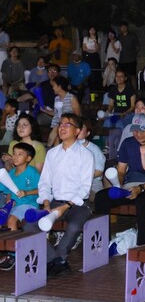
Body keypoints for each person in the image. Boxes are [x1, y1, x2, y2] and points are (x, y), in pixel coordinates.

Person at [94, 113, 145, 245]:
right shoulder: (127, 143)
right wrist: (118, 184)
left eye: (142, 130)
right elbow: (121, 170)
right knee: (101, 197)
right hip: (130, 185)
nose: (138, 133)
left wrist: (141, 188)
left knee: (142, 201)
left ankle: (141, 244)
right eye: (135, 130)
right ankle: (103, 240)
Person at [36, 114, 94, 276]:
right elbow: (45, 182)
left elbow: (85, 188)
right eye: (60, 124)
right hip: (54, 201)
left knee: (74, 226)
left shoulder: (86, 155)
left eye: (67, 125)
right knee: (30, 225)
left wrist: (65, 206)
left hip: (77, 204)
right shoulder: (52, 153)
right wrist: (46, 202)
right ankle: (57, 260)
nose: (61, 128)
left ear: (77, 131)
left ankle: (58, 258)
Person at [0, 142, 40, 271]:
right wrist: (9, 202)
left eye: (20, 154)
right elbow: (8, 193)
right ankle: (4, 249)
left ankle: (13, 253)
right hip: (16, 206)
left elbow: (41, 188)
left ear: (28, 158)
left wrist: (27, 192)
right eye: (14, 154)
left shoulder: (32, 172)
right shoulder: (10, 173)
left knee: (11, 220)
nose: (15, 157)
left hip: (29, 205)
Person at [45, 76, 81, 147]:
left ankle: (48, 147)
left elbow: (77, 114)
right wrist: (44, 110)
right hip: (56, 123)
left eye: (54, 86)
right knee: (57, 139)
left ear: (59, 86)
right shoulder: (56, 98)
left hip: (67, 124)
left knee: (56, 131)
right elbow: (55, 113)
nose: (52, 88)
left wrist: (67, 121)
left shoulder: (71, 98)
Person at [77, 117, 105, 202]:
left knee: (92, 197)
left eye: (82, 128)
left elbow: (99, 171)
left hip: (92, 182)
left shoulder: (94, 149)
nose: (78, 130)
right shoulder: (69, 147)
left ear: (87, 133)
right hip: (73, 182)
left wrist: (81, 176)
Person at [118, 21, 139, 90]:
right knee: (122, 75)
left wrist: (133, 53)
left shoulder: (133, 35)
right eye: (122, 27)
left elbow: (138, 47)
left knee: (132, 75)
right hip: (122, 59)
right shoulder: (119, 36)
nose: (123, 28)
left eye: (124, 26)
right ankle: (123, 90)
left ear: (127, 27)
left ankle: (134, 91)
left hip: (131, 59)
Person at [81, 25, 101, 91]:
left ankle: (95, 89)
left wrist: (94, 40)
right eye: (91, 30)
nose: (92, 31)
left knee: (95, 73)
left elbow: (98, 49)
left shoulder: (98, 38)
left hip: (95, 57)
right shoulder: (86, 38)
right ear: (89, 31)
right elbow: (84, 48)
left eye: (93, 30)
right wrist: (90, 51)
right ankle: (87, 89)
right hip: (88, 56)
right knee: (88, 72)